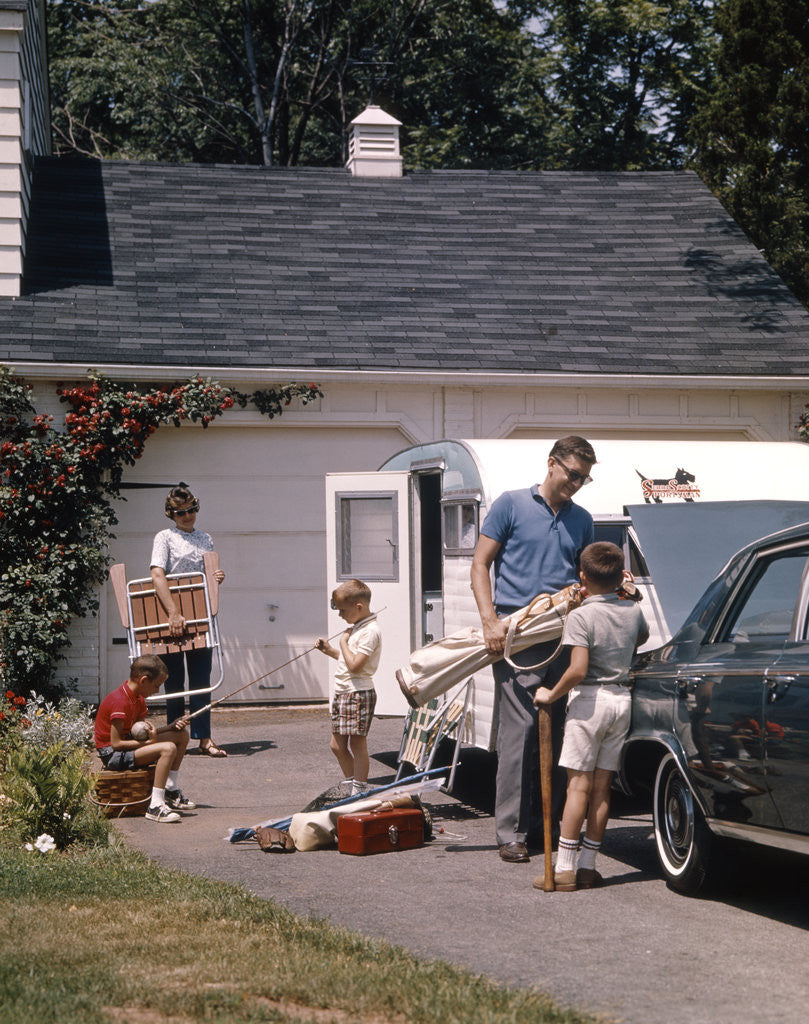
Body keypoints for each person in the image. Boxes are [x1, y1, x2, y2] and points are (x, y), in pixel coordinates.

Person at [471, 435, 597, 863]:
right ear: (551, 464)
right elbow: (479, 564)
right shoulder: (510, 504)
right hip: (518, 634)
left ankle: (548, 827)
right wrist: (491, 621)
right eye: (572, 474)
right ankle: (511, 833)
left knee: (559, 732)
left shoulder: (582, 519)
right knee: (521, 733)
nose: (577, 484)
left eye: (584, 478)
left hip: (563, 631)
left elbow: (585, 576)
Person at [533, 541, 649, 890]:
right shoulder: (633, 612)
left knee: (577, 787)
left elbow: (578, 669)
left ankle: (564, 869)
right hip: (621, 701)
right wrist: (627, 595)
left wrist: (551, 695)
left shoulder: (581, 616)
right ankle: (588, 866)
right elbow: (639, 638)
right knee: (601, 789)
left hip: (590, 703)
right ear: (620, 576)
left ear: (582, 576)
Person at [150, 482, 227, 756]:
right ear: (171, 514)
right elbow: (157, 575)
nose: (188, 516)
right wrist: (172, 612)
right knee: (173, 681)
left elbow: (208, 573)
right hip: (170, 611)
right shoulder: (164, 538)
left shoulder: (205, 538)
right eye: (181, 513)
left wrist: (216, 577)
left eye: (192, 509)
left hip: (199, 612)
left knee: (200, 679)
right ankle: (174, 736)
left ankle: (204, 737)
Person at [94, 653, 196, 823]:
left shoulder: (138, 698)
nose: (157, 691)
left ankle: (170, 789)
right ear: (143, 680)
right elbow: (116, 743)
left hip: (128, 746)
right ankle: (155, 805)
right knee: (168, 748)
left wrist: (170, 727)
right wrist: (150, 742)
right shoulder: (120, 701)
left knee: (180, 735)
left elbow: (140, 735)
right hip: (112, 755)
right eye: (156, 686)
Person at [315, 579, 381, 797]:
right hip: (344, 691)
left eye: (343, 610)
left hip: (358, 693)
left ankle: (359, 790)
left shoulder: (369, 631)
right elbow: (346, 660)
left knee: (357, 743)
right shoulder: (357, 628)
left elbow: (355, 665)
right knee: (336, 745)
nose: (340, 615)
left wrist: (343, 642)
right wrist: (330, 650)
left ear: (358, 606)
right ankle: (354, 785)